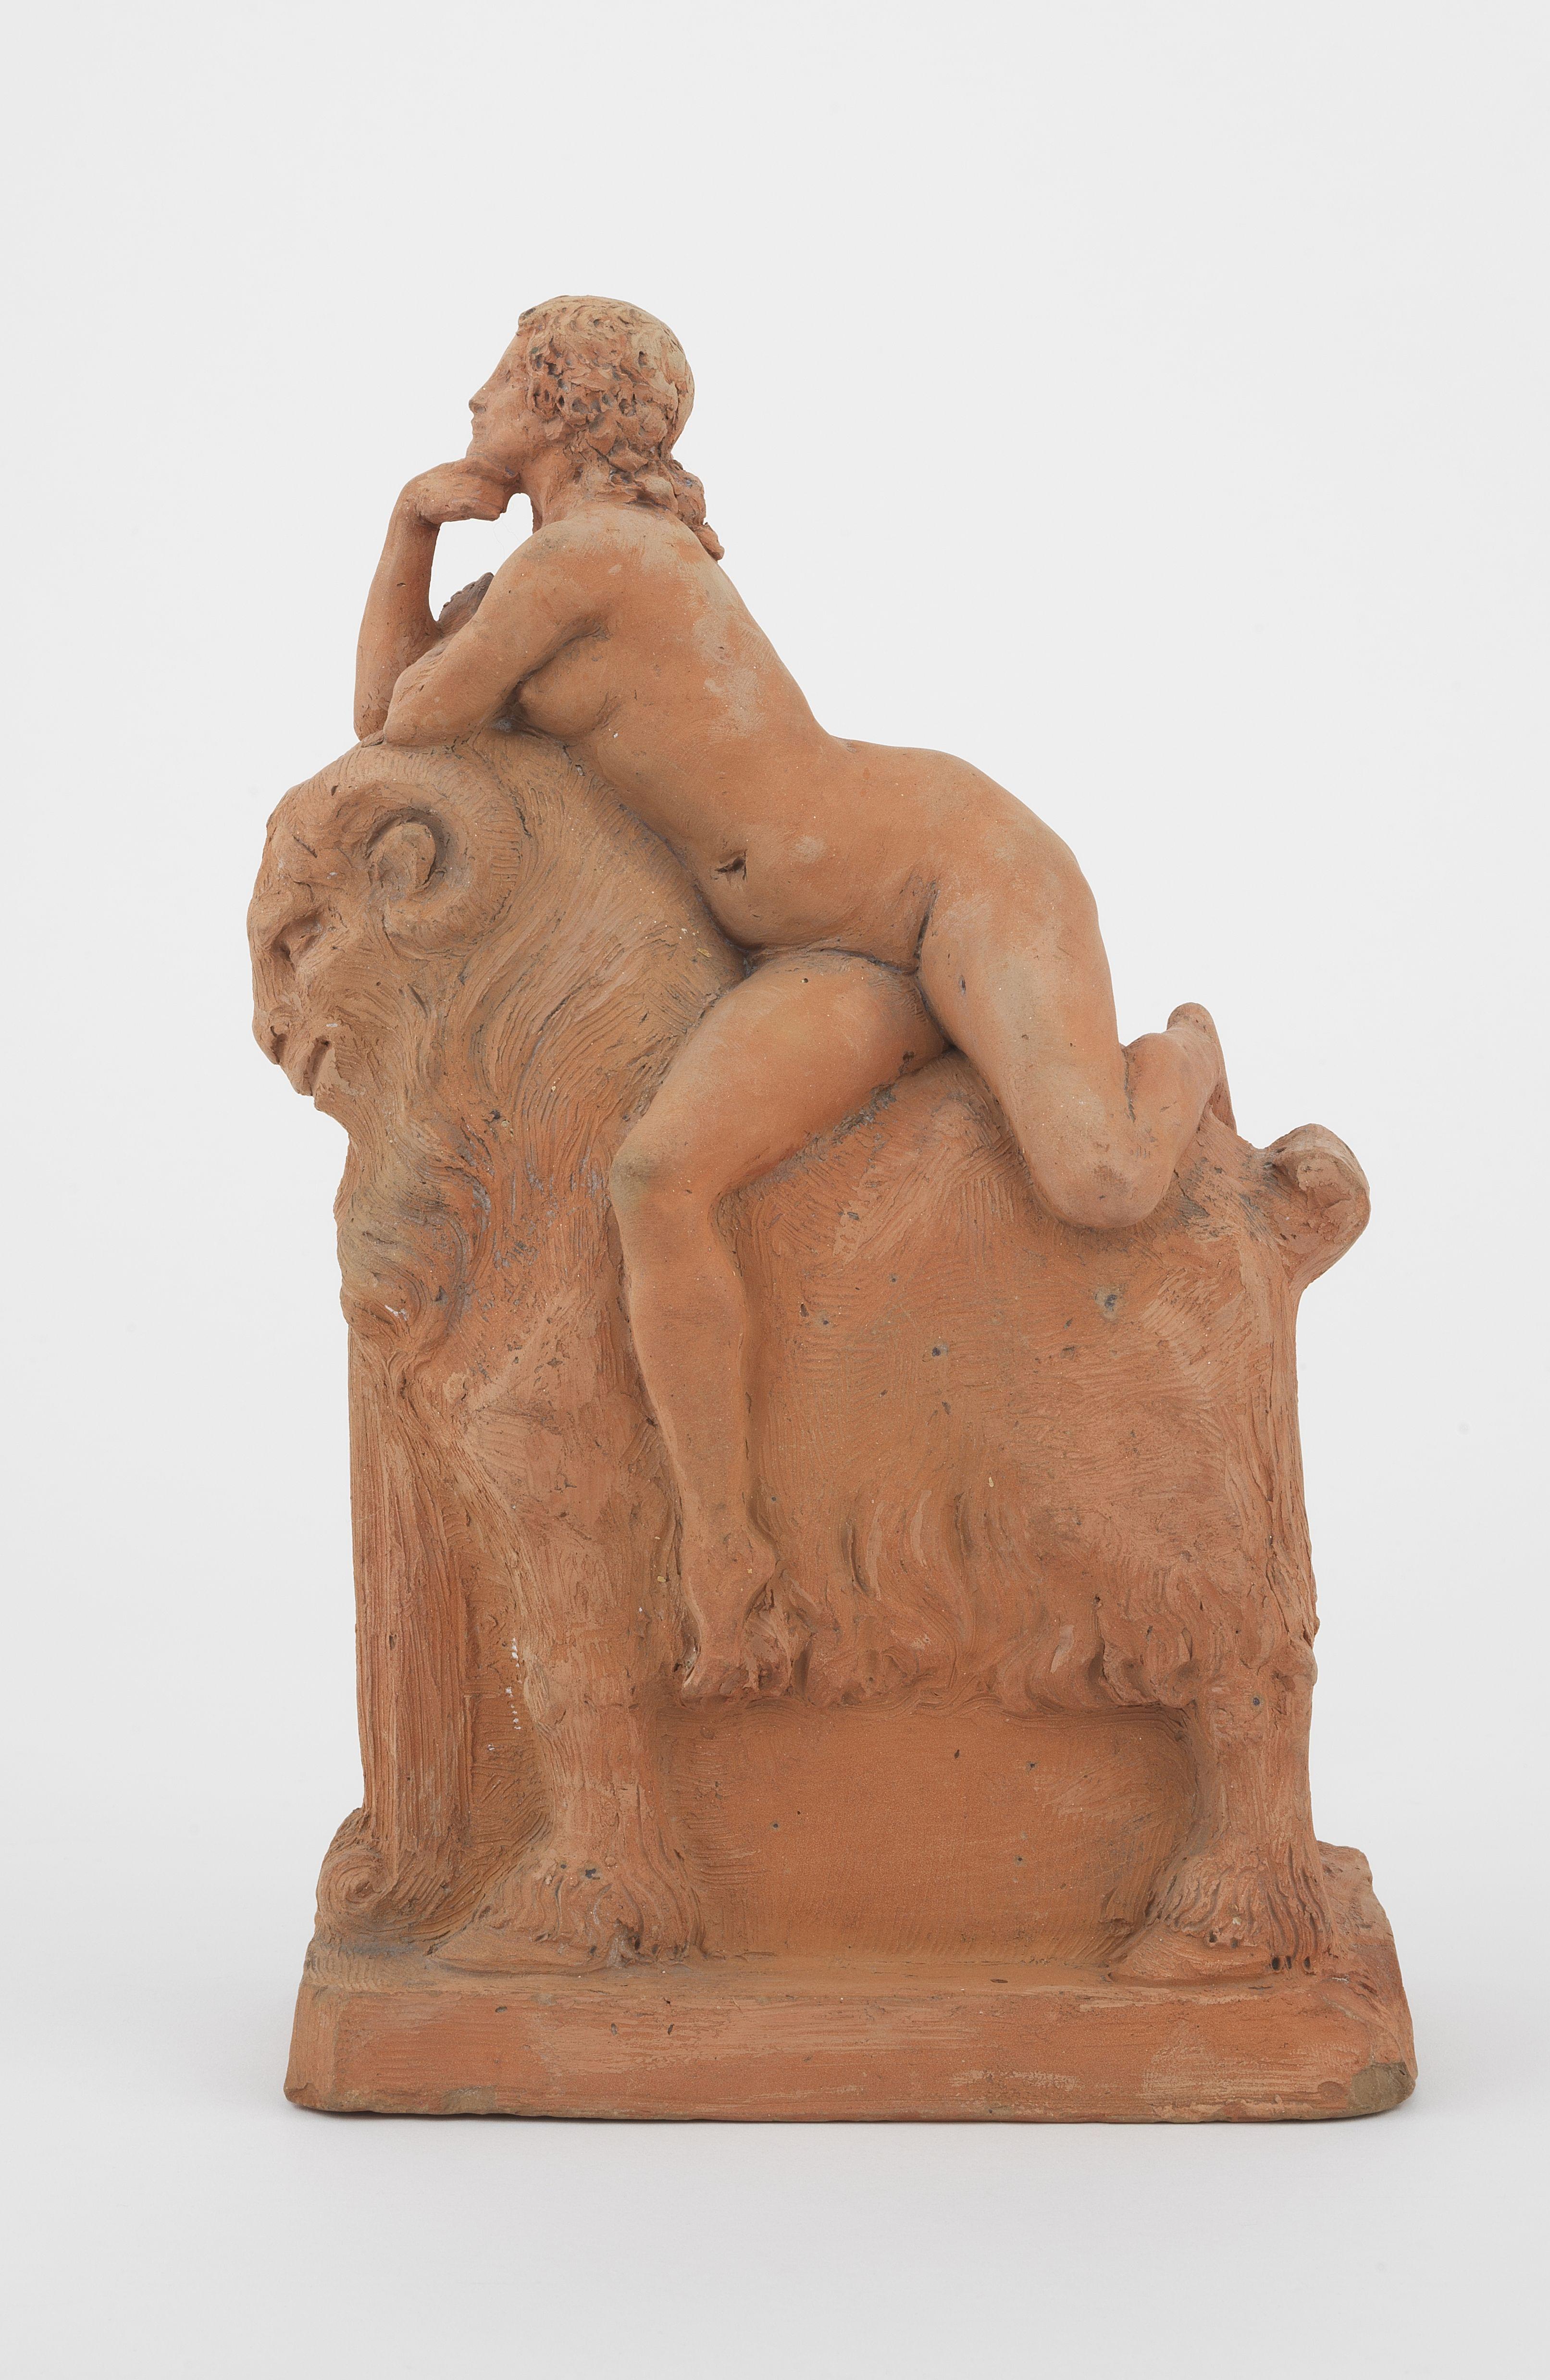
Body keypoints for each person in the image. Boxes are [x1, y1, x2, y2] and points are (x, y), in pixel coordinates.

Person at [356, 296, 1232, 1693]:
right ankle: (729, 1563)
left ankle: (1184, 1053)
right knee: (658, 1180)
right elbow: (387, 725)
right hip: (821, 954)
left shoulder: (594, 555)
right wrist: (410, 531)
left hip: (950, 873)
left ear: (564, 403)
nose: (473, 400)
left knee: (1105, 1181)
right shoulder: (540, 575)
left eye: (504, 374)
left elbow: (407, 717)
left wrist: (414, 519)